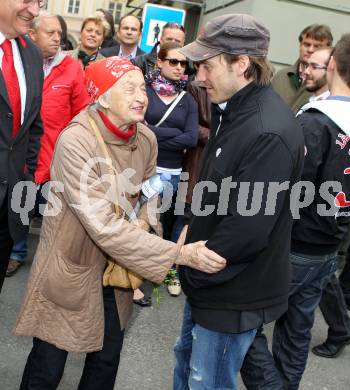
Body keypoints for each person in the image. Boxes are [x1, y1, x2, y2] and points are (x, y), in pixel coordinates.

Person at [15, 56, 226, 390]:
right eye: (128, 89)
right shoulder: (76, 141)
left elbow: (149, 195)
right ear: (102, 96)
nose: (141, 96)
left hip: (118, 270)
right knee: (49, 360)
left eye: (142, 87)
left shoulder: (146, 139)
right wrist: (178, 255)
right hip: (72, 263)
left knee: (106, 359)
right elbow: (102, 225)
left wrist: (145, 222)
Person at [173, 14, 304, 389]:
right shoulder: (233, 108)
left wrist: (193, 266)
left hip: (230, 293)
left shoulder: (267, 130)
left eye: (207, 66)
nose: (199, 77)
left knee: (207, 382)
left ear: (241, 63)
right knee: (187, 368)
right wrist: (190, 231)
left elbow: (247, 228)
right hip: (212, 285)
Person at [241, 33, 350, 390]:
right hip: (329, 245)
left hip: (297, 244)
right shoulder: (321, 118)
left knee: (244, 319)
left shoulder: (317, 122)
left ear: (332, 63)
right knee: (296, 330)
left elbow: (286, 188)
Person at [6, 12, 91, 277]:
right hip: (22, 155)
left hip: (57, 159)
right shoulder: (18, 62)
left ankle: (51, 262)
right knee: (19, 207)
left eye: (60, 34)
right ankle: (16, 251)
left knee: (55, 216)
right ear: (32, 34)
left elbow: (83, 112)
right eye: (50, 33)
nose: (58, 39)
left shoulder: (72, 68)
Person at [144, 42, 198, 296]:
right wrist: (171, 132)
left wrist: (153, 132)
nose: (179, 67)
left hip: (173, 174)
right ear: (160, 63)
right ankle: (136, 272)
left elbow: (190, 138)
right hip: (144, 168)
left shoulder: (187, 98)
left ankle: (166, 270)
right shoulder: (144, 91)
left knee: (165, 225)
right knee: (142, 222)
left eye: (183, 63)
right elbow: (137, 128)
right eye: (174, 62)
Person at [0, 0, 44, 292]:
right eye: (26, 0)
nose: (35, 10)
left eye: (40, 2)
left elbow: (33, 126)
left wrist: (26, 180)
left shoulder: (31, 54)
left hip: (9, 208)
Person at [272, 24, 333, 112]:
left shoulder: (329, 84)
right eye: (306, 44)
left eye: (317, 46)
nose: (310, 50)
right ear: (300, 45)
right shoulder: (280, 76)